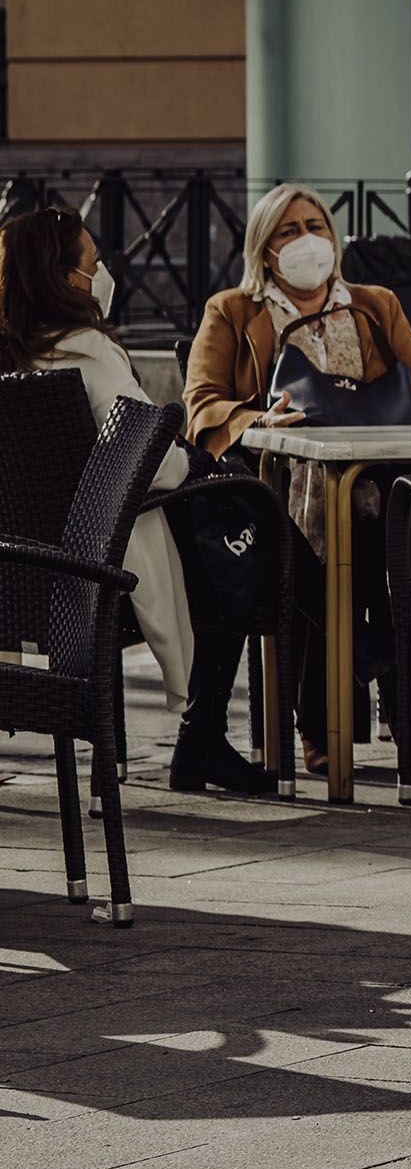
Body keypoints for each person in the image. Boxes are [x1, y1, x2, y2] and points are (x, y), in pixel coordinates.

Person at [185, 183, 411, 774]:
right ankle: (328, 716)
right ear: (264, 248)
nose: (308, 240)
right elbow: (201, 405)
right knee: (316, 537)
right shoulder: (233, 310)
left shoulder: (376, 305)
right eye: (288, 231)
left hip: (376, 483)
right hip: (278, 488)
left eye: (317, 226)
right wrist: (259, 420)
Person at [0, 209, 258, 794]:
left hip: (18, 574)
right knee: (233, 533)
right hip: (100, 574)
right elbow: (156, 465)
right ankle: (203, 732)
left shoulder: (11, 359)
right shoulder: (87, 354)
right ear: (69, 280)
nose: (103, 272)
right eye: (94, 263)